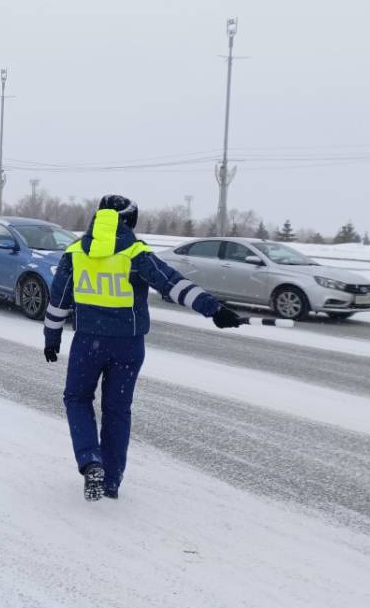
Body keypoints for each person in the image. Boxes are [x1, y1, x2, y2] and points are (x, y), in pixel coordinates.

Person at [43, 195, 242, 501]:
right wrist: (213, 309)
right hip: (128, 345)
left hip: (87, 343)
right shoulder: (136, 253)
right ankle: (110, 482)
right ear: (129, 221)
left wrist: (52, 337)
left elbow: (59, 300)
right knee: (117, 410)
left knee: (77, 398)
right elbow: (171, 283)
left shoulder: (75, 252)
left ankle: (89, 459)